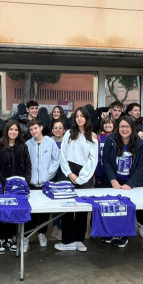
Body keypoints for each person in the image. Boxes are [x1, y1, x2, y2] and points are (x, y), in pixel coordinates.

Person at [55, 107, 98, 252]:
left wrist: (82, 177)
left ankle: (79, 239)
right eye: (77, 116)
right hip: (68, 173)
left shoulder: (92, 137)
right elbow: (63, 156)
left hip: (85, 174)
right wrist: (69, 174)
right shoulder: (68, 134)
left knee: (82, 209)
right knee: (67, 207)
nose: (79, 118)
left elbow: (93, 160)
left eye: (82, 116)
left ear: (86, 118)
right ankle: (68, 241)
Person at [101, 116, 143, 247]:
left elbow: (140, 167)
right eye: (122, 126)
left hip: (131, 183)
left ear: (132, 128)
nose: (124, 129)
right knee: (113, 208)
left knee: (127, 209)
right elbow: (106, 162)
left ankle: (124, 234)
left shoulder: (140, 143)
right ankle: (111, 232)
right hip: (114, 182)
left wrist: (130, 184)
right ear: (118, 127)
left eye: (127, 126)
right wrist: (113, 180)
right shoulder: (111, 140)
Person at [0, 119, 32, 254]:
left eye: (16, 130)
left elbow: (28, 167)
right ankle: (1, 238)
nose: (13, 132)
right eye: (11, 129)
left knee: (14, 212)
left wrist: (23, 183)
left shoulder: (23, 147)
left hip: (18, 188)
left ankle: (11, 237)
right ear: (6, 131)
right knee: (2, 211)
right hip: (2, 187)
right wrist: (5, 183)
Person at [24, 119, 60, 251]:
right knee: (30, 210)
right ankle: (26, 236)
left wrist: (48, 174)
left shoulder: (50, 142)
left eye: (35, 128)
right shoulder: (27, 144)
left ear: (41, 127)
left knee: (45, 211)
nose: (33, 131)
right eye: (31, 129)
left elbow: (57, 159)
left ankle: (41, 233)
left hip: (46, 183)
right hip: (32, 183)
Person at [50, 119, 67, 240]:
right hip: (51, 175)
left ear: (64, 130)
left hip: (64, 175)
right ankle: (56, 225)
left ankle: (62, 227)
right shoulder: (48, 141)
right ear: (52, 130)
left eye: (60, 128)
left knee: (62, 200)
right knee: (53, 201)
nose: (58, 130)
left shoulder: (68, 141)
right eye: (55, 128)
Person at [95, 116, 116, 187]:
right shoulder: (98, 137)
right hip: (100, 171)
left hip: (113, 172)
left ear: (114, 125)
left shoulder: (117, 137)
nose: (107, 125)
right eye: (105, 123)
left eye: (110, 123)